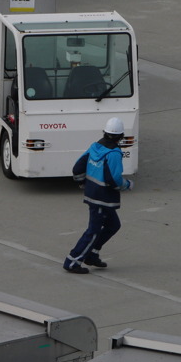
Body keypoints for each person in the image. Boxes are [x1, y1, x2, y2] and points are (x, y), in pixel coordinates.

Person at [63, 117, 133, 274]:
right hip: (102, 198)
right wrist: (127, 185)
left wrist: (82, 183)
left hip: (92, 193)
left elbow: (78, 167)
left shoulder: (95, 146)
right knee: (93, 230)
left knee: (113, 225)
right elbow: (114, 179)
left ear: (105, 132)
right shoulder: (114, 153)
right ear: (121, 136)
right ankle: (73, 261)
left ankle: (91, 254)